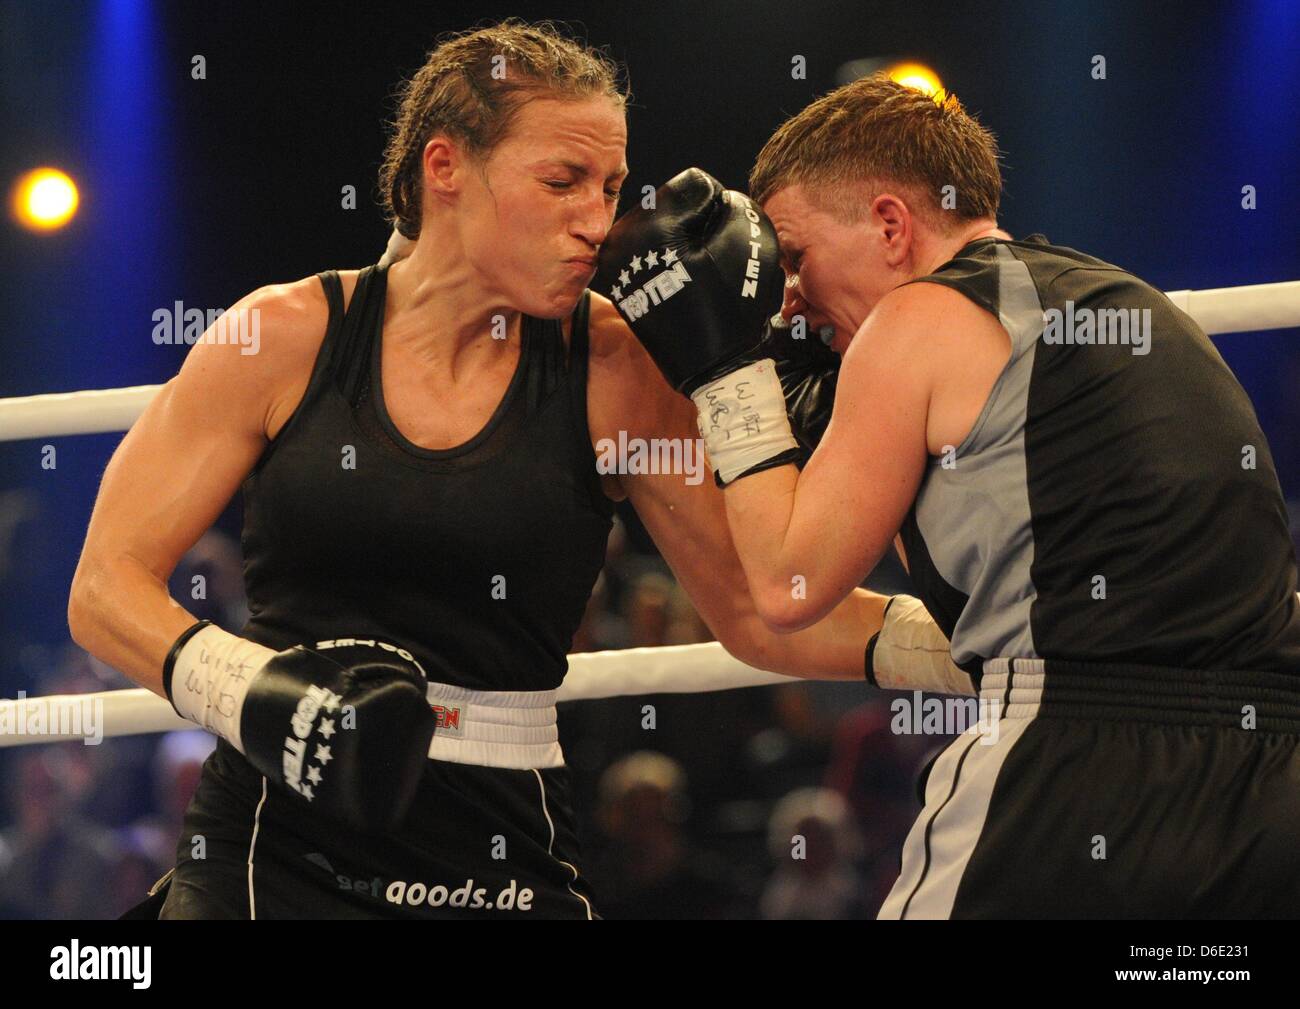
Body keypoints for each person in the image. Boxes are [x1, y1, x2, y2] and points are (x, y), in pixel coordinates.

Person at [68, 25, 962, 920]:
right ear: (445, 167)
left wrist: (998, 635)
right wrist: (253, 693)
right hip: (273, 834)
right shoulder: (286, 336)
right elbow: (104, 586)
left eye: (610, 187)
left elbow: (763, 606)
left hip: (497, 843)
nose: (597, 220)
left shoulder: (613, 364)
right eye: (562, 181)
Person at [601, 74, 1300, 918]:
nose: (784, 294)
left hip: (1070, 764)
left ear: (892, 225)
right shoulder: (1129, 308)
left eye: (794, 256)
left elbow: (787, 586)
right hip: (1265, 781)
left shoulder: (916, 322)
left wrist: (724, 374)